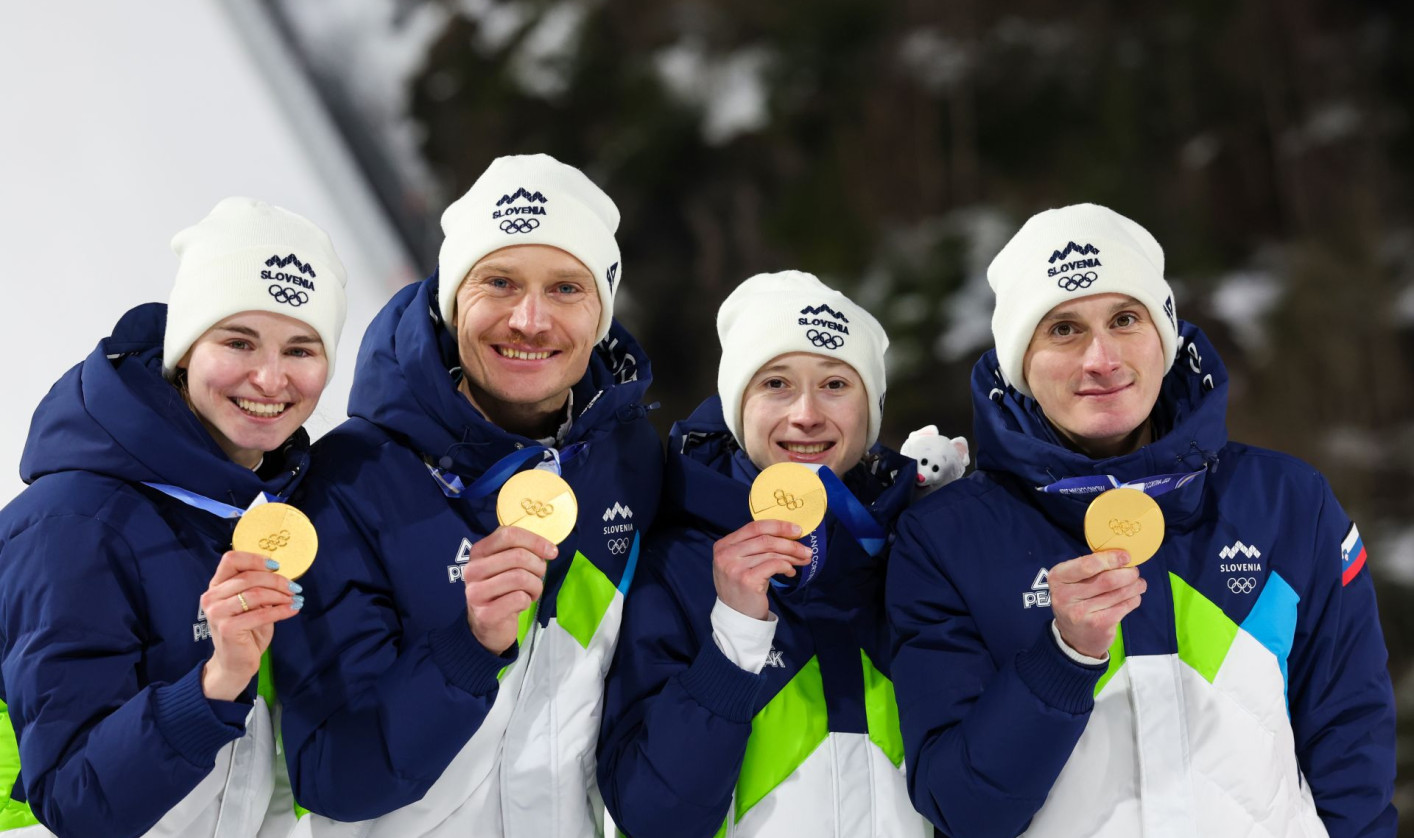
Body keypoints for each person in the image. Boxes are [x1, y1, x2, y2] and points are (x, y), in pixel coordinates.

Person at [888, 203, 1397, 837]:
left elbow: (1352, 749)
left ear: (1165, 336)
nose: (1102, 358)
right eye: (1064, 329)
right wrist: (1064, 658)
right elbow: (963, 809)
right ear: (1021, 360)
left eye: (1126, 319)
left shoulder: (1287, 502)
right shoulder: (945, 539)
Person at [272, 153, 662, 836]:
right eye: (500, 282)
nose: (531, 319)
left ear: (602, 313)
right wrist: (470, 647)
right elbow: (332, 774)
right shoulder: (350, 483)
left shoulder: (628, 462)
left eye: (567, 288)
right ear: (454, 300)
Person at [0, 197, 348, 837]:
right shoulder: (73, 523)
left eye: (301, 349)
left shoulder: (281, 507)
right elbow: (73, 800)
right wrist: (218, 679)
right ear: (185, 350)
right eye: (238, 341)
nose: (271, 378)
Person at [598, 271, 938, 837]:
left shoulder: (914, 554)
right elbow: (655, 818)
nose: (806, 413)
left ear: (870, 408)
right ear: (738, 406)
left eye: (835, 384)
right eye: (776, 384)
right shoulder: (675, 563)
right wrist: (733, 636)